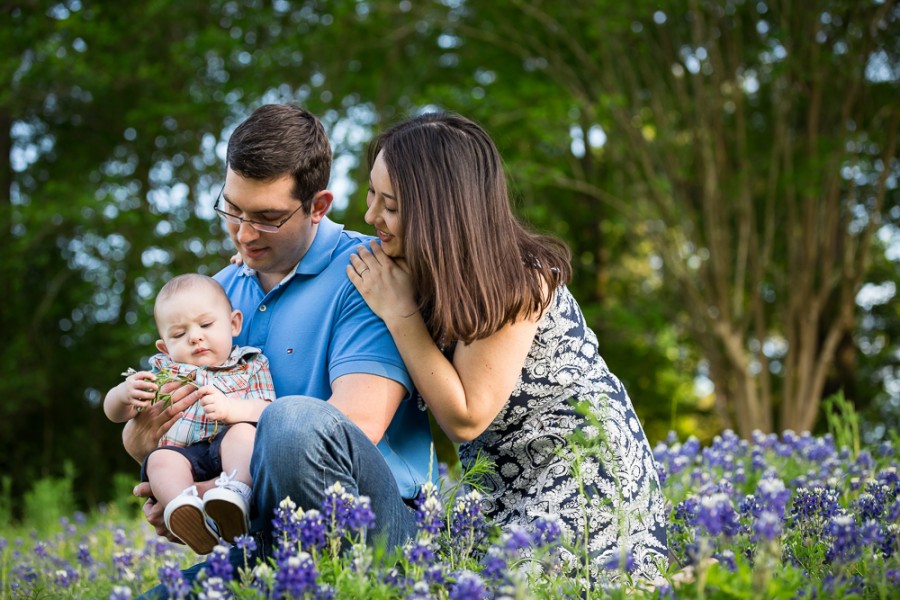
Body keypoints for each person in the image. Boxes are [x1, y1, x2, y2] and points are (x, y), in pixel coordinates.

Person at [122, 104, 435, 597]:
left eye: (267, 218)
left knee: (290, 421)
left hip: (372, 525)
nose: (245, 235)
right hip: (261, 537)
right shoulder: (215, 297)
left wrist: (216, 494)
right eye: (232, 210)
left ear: (319, 205)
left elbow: (353, 427)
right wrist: (161, 466)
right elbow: (162, 427)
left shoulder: (369, 275)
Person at [346, 112, 669, 581]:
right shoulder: (423, 269)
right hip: (498, 486)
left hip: (580, 472)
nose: (371, 215)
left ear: (440, 213)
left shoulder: (519, 277)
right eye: (371, 193)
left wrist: (401, 316)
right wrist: (257, 266)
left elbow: (467, 416)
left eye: (390, 205)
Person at [104, 273, 275, 554]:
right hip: (184, 455)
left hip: (229, 452)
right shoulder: (164, 371)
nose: (195, 337)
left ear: (234, 324)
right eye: (179, 334)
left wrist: (232, 409)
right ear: (164, 347)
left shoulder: (249, 363)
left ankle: (234, 497)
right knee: (159, 459)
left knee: (244, 433)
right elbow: (114, 413)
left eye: (206, 324)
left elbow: (269, 408)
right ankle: (184, 510)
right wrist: (123, 395)